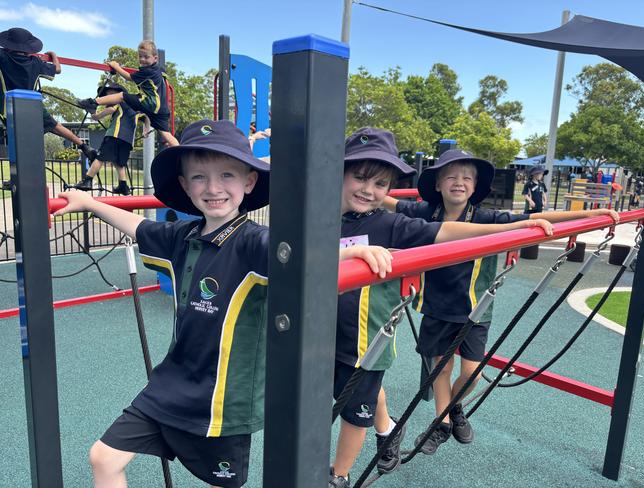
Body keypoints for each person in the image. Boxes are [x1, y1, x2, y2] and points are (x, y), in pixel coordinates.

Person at [56, 119, 386, 487]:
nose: (213, 188)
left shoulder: (253, 242)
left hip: (222, 400)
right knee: (103, 457)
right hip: (171, 383)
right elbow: (138, 226)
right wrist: (90, 202)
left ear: (248, 182)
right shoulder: (183, 235)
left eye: (227, 175)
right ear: (184, 184)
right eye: (199, 177)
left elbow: (299, 251)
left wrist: (356, 250)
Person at [330, 130, 554, 488]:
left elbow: (445, 231)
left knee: (357, 405)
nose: (368, 189)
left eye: (380, 183)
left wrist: (520, 226)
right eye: (359, 177)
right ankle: (387, 431)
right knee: (356, 388)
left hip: (368, 335)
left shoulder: (393, 223)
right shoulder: (321, 216)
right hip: (323, 329)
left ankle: (338, 476)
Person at [382, 149, 619, 459]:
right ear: (438, 184)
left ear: (475, 186)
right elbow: (388, 201)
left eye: (467, 178)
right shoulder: (425, 213)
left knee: (473, 371)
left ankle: (454, 408)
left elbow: (533, 218)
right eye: (451, 177)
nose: (459, 182)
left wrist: (586, 215)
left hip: (475, 308)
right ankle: (441, 423)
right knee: (441, 367)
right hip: (435, 305)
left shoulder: (485, 217)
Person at [0, 27, 98, 161]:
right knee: (55, 126)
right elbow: (57, 69)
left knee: (18, 138)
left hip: (8, 107)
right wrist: (54, 56)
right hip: (32, 105)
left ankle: (21, 173)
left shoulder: (2, 57)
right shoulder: (35, 62)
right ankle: (82, 145)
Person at [77, 40, 178, 147]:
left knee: (121, 96)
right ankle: (180, 152)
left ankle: (93, 103)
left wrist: (116, 66)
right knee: (166, 134)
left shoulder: (146, 72)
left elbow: (128, 77)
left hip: (149, 102)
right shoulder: (159, 70)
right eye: (140, 56)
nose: (142, 60)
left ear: (155, 58)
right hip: (162, 109)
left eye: (146, 57)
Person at [75, 83, 138, 195]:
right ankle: (123, 186)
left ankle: (88, 180)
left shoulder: (119, 101)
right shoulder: (135, 107)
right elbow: (146, 117)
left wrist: (97, 116)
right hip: (128, 140)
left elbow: (111, 110)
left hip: (115, 134)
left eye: (109, 94)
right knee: (119, 162)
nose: (107, 97)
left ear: (116, 94)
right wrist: (146, 129)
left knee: (100, 157)